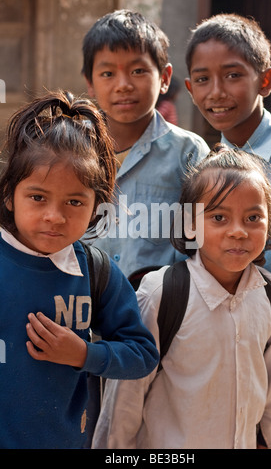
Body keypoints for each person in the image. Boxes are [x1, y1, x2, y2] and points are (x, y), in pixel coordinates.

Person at [92, 144, 271, 449]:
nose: (238, 231)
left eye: (253, 217)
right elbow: (124, 403)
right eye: (219, 218)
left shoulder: (270, 294)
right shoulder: (162, 292)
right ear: (190, 223)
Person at [0, 90, 159, 449]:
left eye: (74, 202)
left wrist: (84, 355)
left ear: (96, 208)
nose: (55, 216)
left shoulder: (94, 271)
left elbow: (142, 355)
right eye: (37, 197)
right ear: (10, 194)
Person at [184, 13, 271, 429]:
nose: (216, 92)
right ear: (187, 88)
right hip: (237, 370)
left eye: (233, 75)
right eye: (202, 79)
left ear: (266, 81)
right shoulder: (202, 169)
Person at [81, 9, 209, 285]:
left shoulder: (188, 152)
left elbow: (202, 244)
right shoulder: (72, 148)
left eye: (138, 71)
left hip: (158, 313)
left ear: (164, 77)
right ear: (89, 83)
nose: (123, 85)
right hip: (80, 309)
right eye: (107, 73)